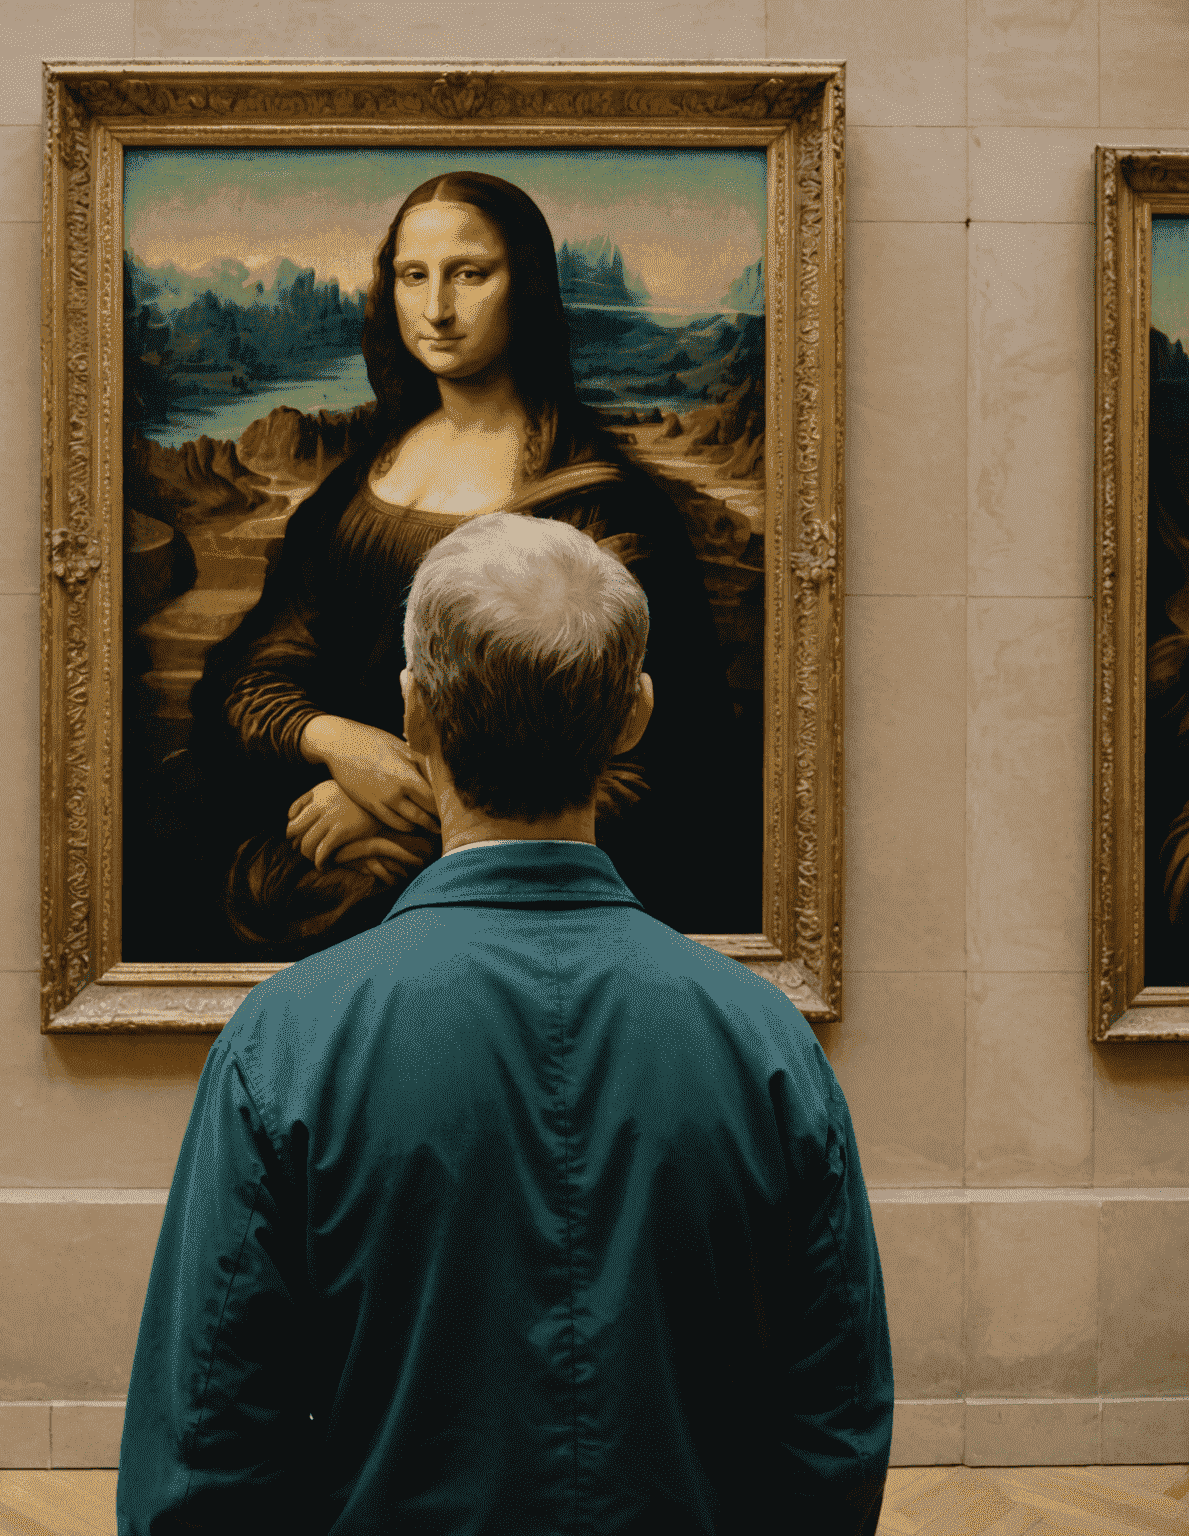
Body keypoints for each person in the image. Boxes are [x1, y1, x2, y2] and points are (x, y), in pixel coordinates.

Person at [117, 512, 894, 1535]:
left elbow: (204, 1455)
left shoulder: (288, 1042)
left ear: (416, 713)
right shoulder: (764, 1045)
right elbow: (831, 1435)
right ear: (633, 715)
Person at [153, 170, 756, 962]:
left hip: (505, 891)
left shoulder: (597, 507)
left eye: (470, 274)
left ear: (527, 286)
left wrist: (414, 815)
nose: (436, 307)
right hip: (330, 828)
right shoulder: (359, 484)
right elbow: (253, 678)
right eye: (414, 276)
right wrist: (337, 742)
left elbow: (651, 764)